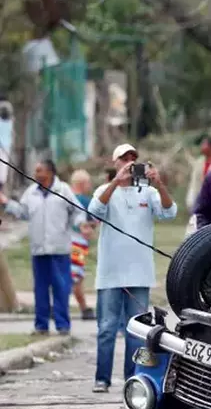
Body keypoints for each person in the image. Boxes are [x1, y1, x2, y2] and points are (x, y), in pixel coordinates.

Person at [87, 143, 177, 392]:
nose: (129, 163)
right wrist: (116, 182)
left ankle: (131, 378)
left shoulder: (147, 193)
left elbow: (170, 213)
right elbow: (94, 211)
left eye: (133, 159)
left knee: (136, 331)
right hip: (109, 274)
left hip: (139, 273)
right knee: (106, 328)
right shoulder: (105, 189)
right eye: (123, 159)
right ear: (115, 163)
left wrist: (159, 184)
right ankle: (102, 379)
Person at [0, 160, 84, 336]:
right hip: (38, 250)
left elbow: (77, 211)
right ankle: (41, 325)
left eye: (40, 171)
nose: (37, 174)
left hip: (59, 250)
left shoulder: (63, 190)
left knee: (61, 288)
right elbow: (22, 212)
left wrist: (80, 224)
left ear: (50, 172)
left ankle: (62, 325)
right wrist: (6, 202)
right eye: (36, 171)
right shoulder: (31, 193)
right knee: (40, 289)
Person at [69, 169, 96, 321]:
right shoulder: (85, 201)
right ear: (82, 183)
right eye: (88, 183)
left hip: (63, 242)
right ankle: (84, 308)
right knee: (76, 277)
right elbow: (96, 220)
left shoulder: (66, 197)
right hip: (78, 244)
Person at [185, 135, 211, 234]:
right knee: (196, 225)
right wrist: (190, 199)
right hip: (201, 198)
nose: (202, 147)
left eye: (204, 144)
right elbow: (194, 183)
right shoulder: (199, 162)